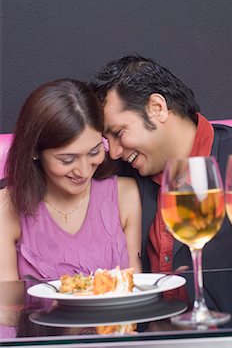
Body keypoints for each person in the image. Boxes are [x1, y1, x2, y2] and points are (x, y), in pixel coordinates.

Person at [91, 55, 232, 285]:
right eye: (107, 138)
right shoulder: (121, 174)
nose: (114, 152)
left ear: (157, 108)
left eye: (119, 133)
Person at [0, 79, 142, 281]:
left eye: (94, 152)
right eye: (67, 159)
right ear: (35, 151)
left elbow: (134, 290)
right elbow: (5, 307)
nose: (83, 171)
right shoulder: (6, 206)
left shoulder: (125, 195)